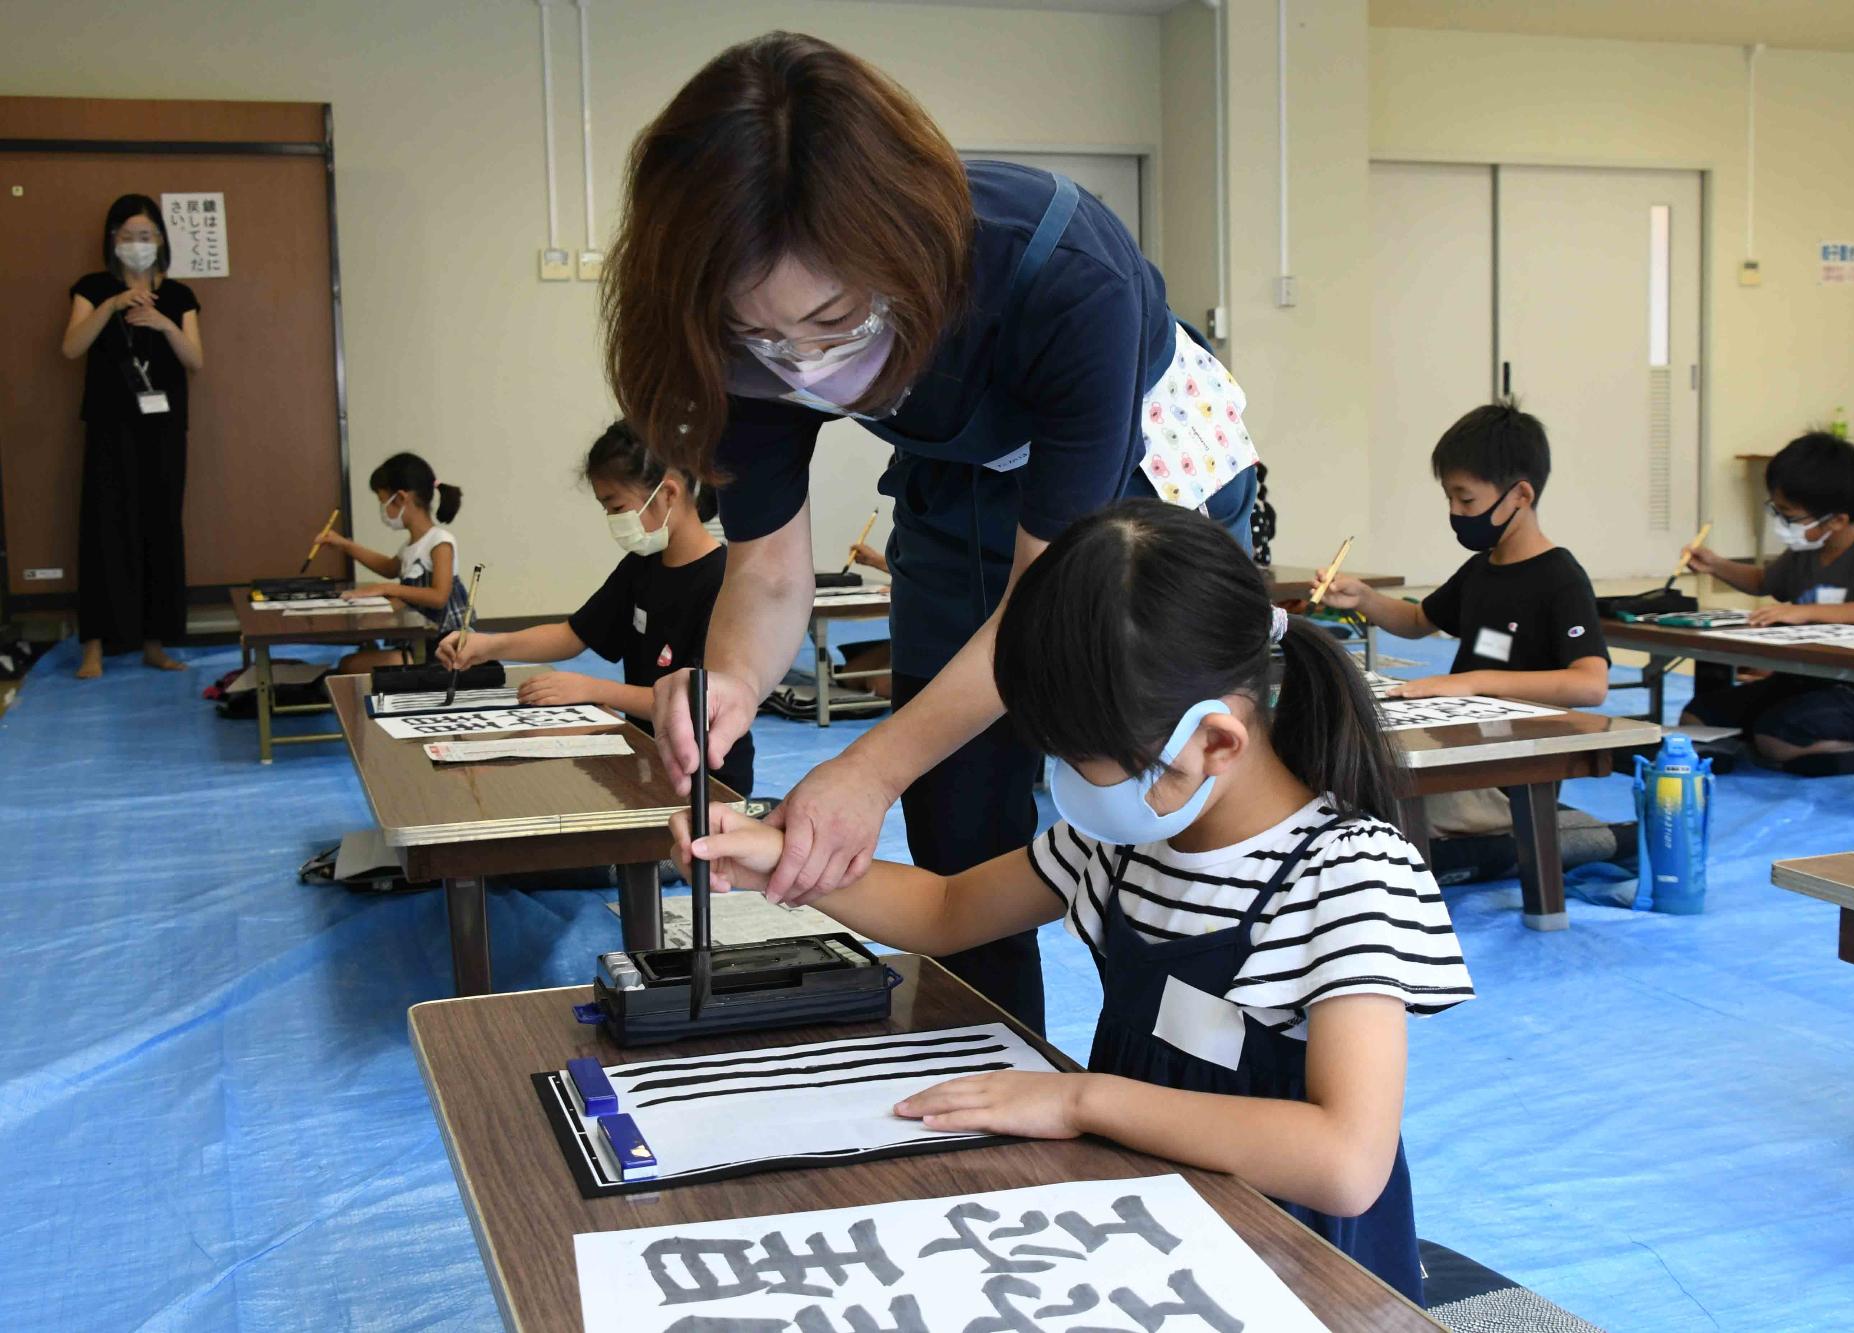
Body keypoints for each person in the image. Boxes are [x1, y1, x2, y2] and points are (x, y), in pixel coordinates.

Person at [606, 32, 1263, 1032]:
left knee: (1158, 810)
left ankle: (1175, 1074)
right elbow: (771, 577)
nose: (801, 366)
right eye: (762, 340)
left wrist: (866, 766)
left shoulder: (1062, 272)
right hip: (956, 487)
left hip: (1140, 487)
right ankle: (1002, 1073)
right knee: (955, 814)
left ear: (901, 254)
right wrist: (730, 679)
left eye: (833, 323)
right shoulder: (743, 336)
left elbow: (1046, 614)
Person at [672, 501, 1472, 1305]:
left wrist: (1080, 1097)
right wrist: (783, 859)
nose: (1068, 787)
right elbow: (948, 908)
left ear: (1215, 742)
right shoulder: (1128, 833)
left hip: (1299, 1270)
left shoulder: (1346, 873)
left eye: (1086, 760)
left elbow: (1344, 1160)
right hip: (1145, 1230)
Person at [1319, 403, 1609, 834]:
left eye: (1466, 498)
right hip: (1458, 749)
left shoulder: (1560, 577)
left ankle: (1563, 840)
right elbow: (1418, 620)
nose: (1455, 511)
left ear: (1521, 495)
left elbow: (1591, 683)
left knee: (1377, 813)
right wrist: (1363, 597)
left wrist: (1474, 681)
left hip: (1506, 778)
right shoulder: (1481, 569)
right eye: (1449, 498)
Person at [438, 421, 754, 794]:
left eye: (617, 506)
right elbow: (573, 634)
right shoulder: (643, 565)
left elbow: (693, 703)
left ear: (668, 493)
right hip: (647, 756)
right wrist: (487, 646)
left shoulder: (723, 583)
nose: (612, 521)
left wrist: (591, 688)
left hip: (706, 778)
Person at [1679, 432, 1854, 762]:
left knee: (1779, 738)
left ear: (1838, 520)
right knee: (1698, 717)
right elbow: (1762, 581)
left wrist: (1806, 612)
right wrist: (1715, 565)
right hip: (1797, 682)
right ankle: (1778, 739)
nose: (1782, 522)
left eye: (1790, 515)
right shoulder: (1806, 552)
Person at [61, 194, 206, 679]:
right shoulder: (92, 287)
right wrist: (113, 306)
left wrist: (163, 323)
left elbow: (196, 360)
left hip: (163, 431)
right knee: (102, 528)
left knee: (161, 528)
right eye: (128, 236)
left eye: (146, 236)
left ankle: (155, 642)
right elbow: (71, 346)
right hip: (108, 426)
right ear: (112, 240)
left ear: (160, 240)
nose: (137, 244)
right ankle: (94, 646)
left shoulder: (180, 296)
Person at [318, 453, 467, 673]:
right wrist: (343, 544)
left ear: (400, 498)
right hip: (417, 640)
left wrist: (387, 589)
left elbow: (439, 596)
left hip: (440, 648)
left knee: (350, 665)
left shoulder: (440, 541)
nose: (383, 510)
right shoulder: (412, 545)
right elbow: (389, 568)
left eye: (382, 501)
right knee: (355, 660)